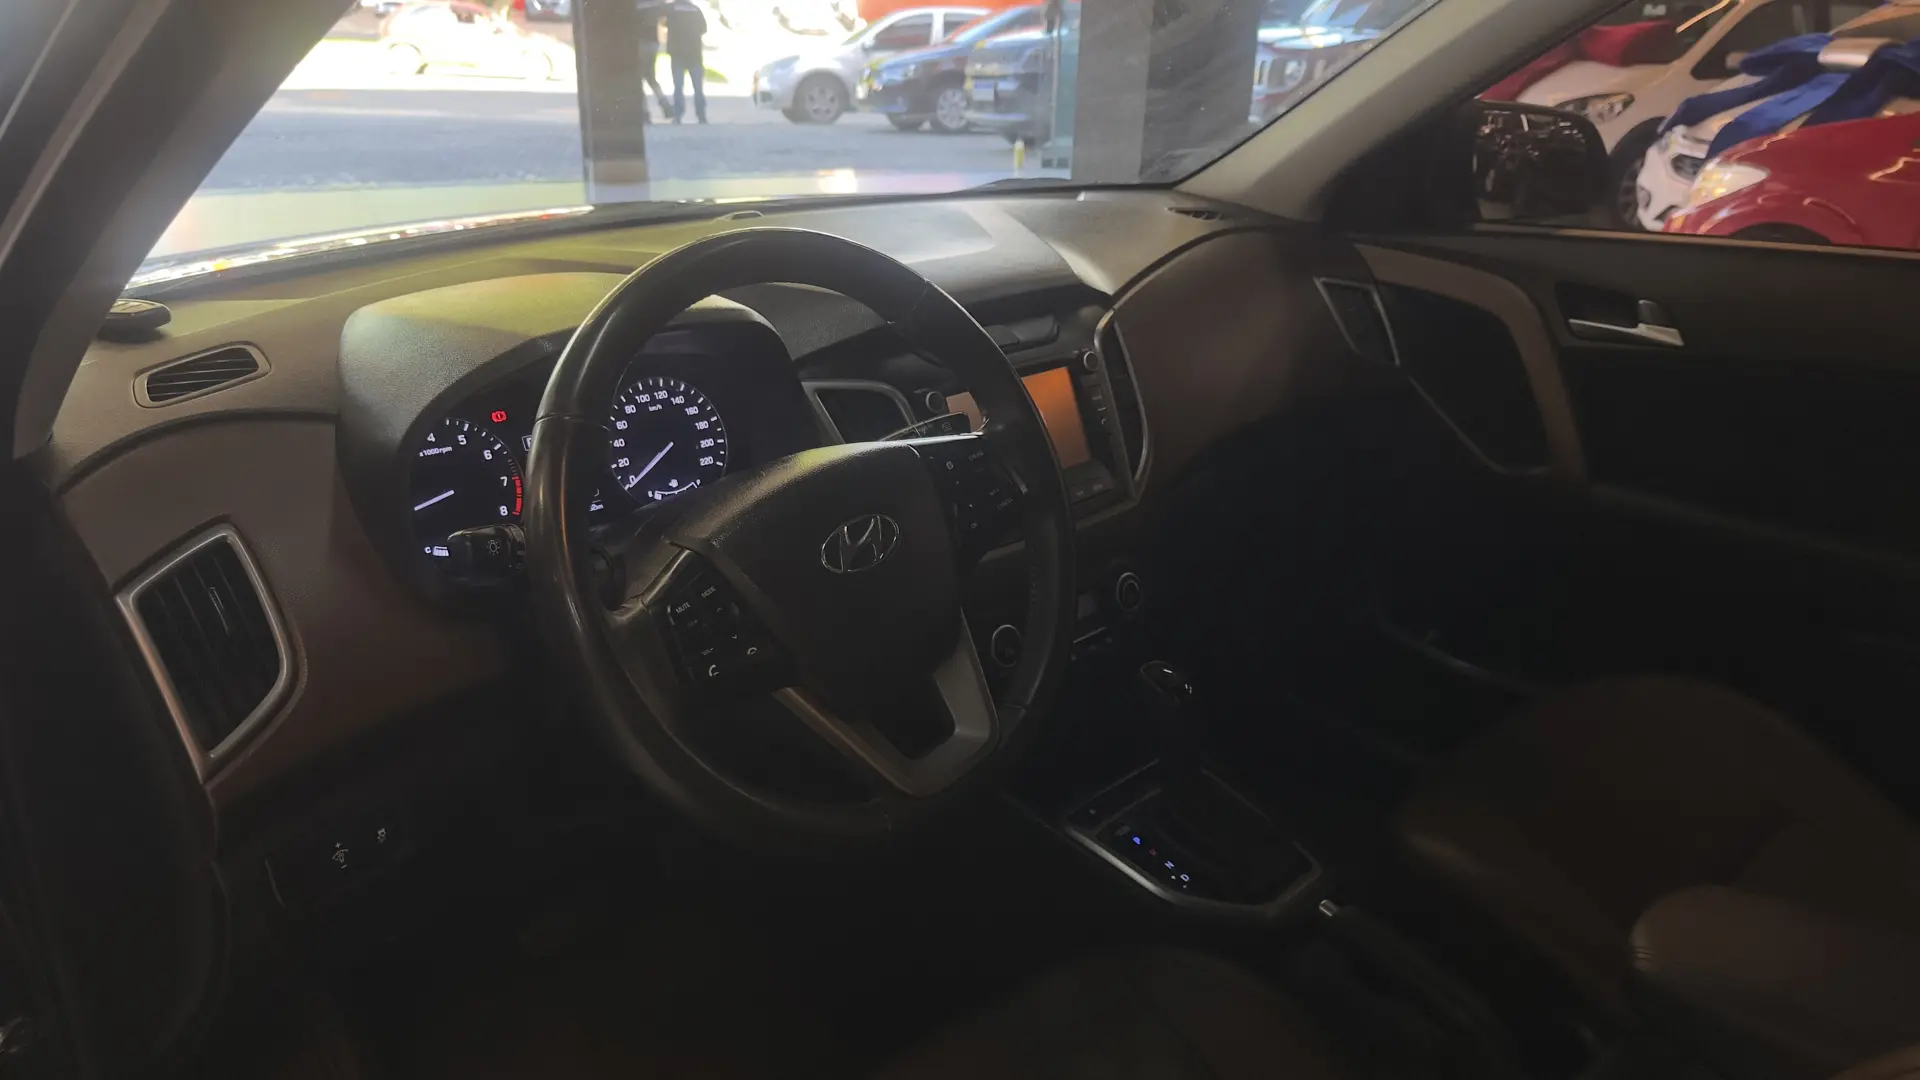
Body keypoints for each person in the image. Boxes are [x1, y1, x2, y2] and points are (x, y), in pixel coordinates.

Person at [665, 0, 708, 124]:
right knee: (698, 87)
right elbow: (703, 29)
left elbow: (664, 23)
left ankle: (678, 115)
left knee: (678, 86)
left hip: (677, 52)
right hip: (694, 52)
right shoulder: (695, 9)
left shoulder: (672, 9)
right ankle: (701, 115)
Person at [636, 1, 671, 121]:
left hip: (639, 43)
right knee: (650, 77)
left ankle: (644, 112)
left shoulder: (634, 3)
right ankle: (665, 104)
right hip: (653, 43)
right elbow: (664, 17)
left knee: (638, 79)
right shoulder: (655, 2)